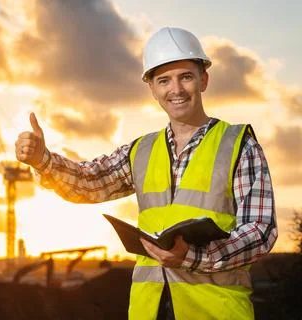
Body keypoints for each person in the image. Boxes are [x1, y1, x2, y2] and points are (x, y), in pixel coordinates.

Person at [15, 27, 277, 320]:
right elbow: (90, 182)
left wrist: (192, 257)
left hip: (215, 311)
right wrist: (43, 160)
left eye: (186, 77)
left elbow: (260, 231)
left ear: (203, 80)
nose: (175, 90)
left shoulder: (238, 144)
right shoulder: (141, 150)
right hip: (149, 310)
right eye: (164, 80)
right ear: (152, 89)